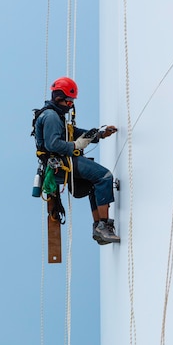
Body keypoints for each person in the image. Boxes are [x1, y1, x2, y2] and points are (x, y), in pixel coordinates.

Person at [34, 76, 120, 244]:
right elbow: (53, 144)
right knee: (104, 177)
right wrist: (75, 146)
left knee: (93, 185)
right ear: (59, 99)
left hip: (61, 164)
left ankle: (99, 227)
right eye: (69, 101)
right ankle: (103, 227)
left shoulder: (54, 115)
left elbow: (73, 131)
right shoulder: (51, 116)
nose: (70, 105)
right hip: (62, 163)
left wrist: (99, 134)